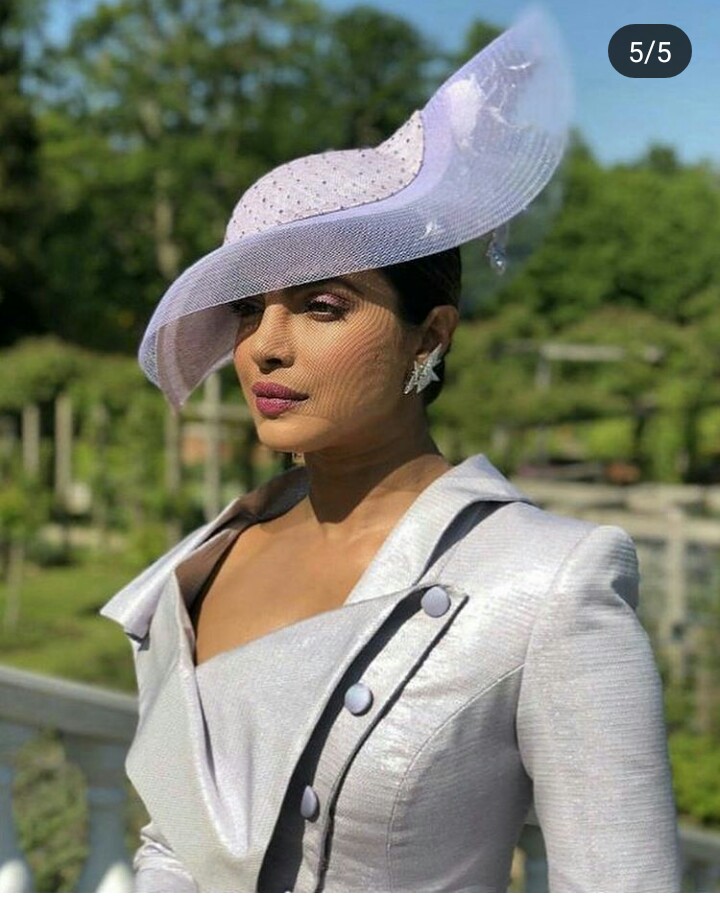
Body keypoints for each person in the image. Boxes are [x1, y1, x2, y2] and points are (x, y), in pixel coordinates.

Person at [101, 9, 681, 892]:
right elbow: (173, 846)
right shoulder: (208, 563)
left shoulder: (550, 584)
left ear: (429, 336)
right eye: (250, 309)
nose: (264, 344)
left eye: (322, 305)